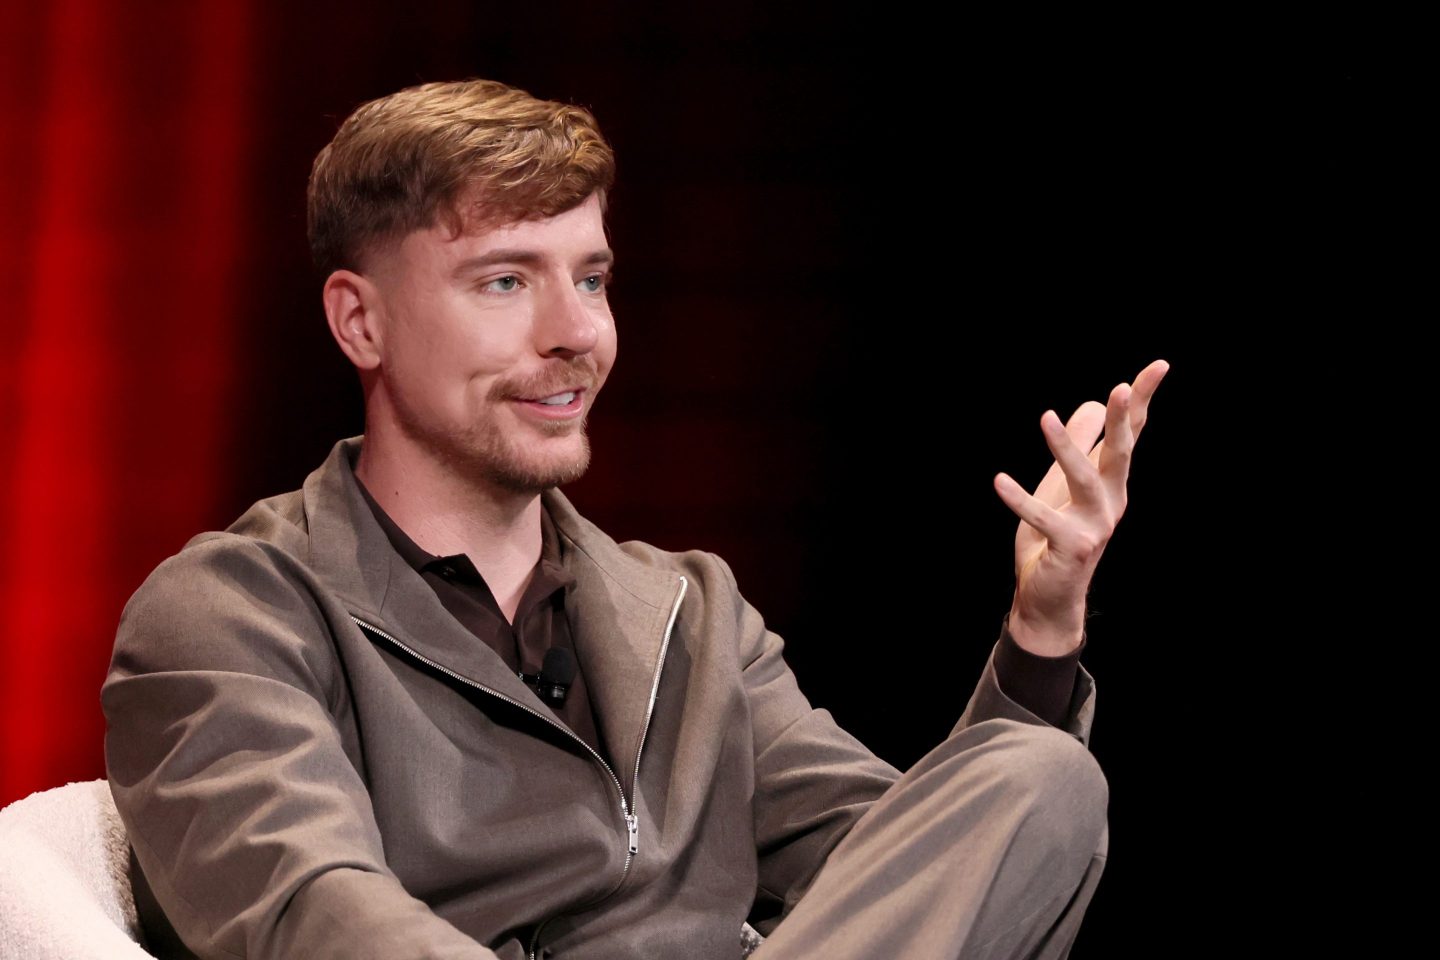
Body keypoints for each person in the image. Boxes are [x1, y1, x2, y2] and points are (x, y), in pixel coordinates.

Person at [101, 78, 1169, 960]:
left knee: (1038, 778)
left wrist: (1041, 632)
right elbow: (312, 915)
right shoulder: (230, 616)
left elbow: (911, 876)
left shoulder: (689, 612)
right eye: (507, 281)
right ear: (360, 320)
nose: (578, 334)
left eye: (594, 279)